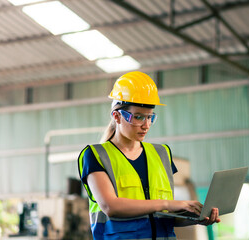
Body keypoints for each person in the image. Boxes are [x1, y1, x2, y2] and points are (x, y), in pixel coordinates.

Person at [78, 71, 220, 240]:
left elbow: (164, 218)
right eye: (138, 117)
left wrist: (196, 218)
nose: (146, 125)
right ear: (117, 116)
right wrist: (168, 203)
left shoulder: (162, 154)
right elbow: (110, 206)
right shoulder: (95, 155)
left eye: (150, 117)